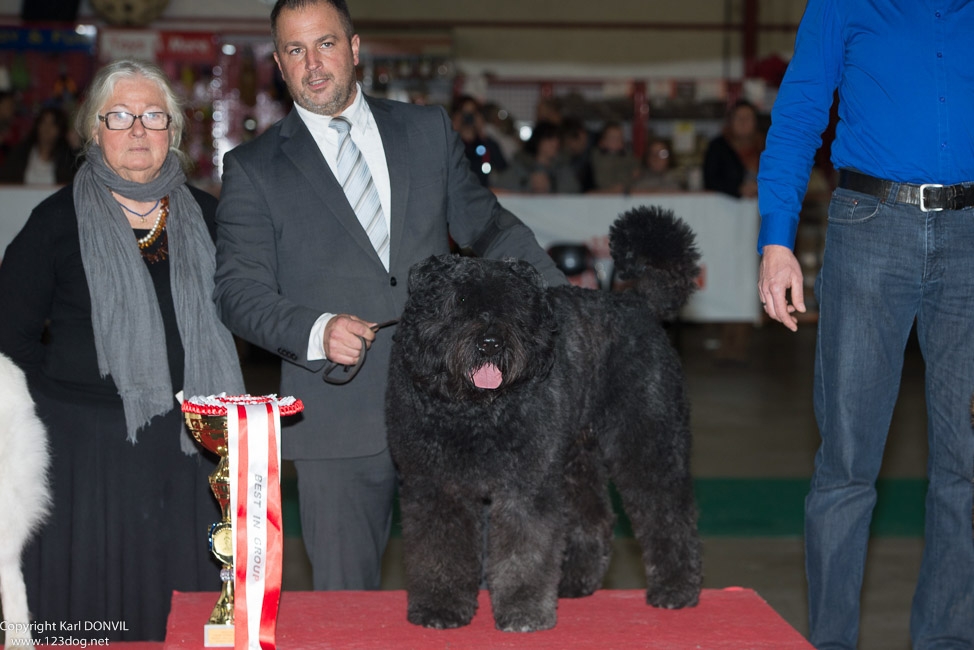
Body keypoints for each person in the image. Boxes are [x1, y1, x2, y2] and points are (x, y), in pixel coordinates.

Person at [213, 0, 566, 591]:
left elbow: (492, 229)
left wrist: (562, 302)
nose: (313, 64)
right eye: (295, 51)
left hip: (451, 404)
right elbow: (237, 292)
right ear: (278, 64)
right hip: (336, 413)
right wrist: (315, 329)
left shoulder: (426, 130)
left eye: (325, 44)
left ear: (354, 48)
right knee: (346, 608)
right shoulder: (252, 168)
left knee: (468, 596)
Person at [0, 59, 245, 641]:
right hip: (84, 459)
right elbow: (7, 333)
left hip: (190, 452)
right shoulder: (54, 222)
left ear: (174, 134)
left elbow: (248, 312)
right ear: (94, 132)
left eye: (153, 116)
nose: (138, 129)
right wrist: (67, 397)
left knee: (181, 617)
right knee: (89, 620)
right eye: (120, 116)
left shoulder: (213, 219)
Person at [756, 2, 974, 648]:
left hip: (969, 241)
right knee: (847, 465)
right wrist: (777, 241)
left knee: (966, 464)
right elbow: (797, 115)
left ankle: (949, 639)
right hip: (870, 228)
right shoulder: (842, 3)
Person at [493, 121, 580, 194]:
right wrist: (528, 186)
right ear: (538, 141)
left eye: (557, 139)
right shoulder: (521, 166)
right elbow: (500, 189)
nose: (555, 143)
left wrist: (551, 186)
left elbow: (574, 193)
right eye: (549, 138)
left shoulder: (562, 168)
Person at [0, 106, 79, 184]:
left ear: (60, 130)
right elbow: (6, 180)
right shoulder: (21, 152)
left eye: (53, 124)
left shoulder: (67, 158)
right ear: (37, 125)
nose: (47, 128)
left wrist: (76, 149)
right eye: (43, 122)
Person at [703, 99, 762, 199]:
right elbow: (710, 180)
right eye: (738, 118)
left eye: (748, 118)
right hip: (727, 208)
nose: (743, 123)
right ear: (730, 121)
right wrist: (738, 189)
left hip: (762, 209)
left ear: (755, 122)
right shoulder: (718, 146)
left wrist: (760, 187)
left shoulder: (765, 145)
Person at [450, 94, 507, 187]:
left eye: (472, 114)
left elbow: (502, 166)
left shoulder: (486, 144)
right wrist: (453, 131)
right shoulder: (449, 144)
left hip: (481, 195)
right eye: (464, 114)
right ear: (455, 116)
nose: (468, 118)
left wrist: (482, 134)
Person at [589, 121, 639, 193]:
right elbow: (600, 177)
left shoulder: (628, 157)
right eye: (612, 138)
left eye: (619, 138)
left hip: (623, 191)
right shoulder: (597, 155)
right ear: (602, 141)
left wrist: (624, 185)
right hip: (603, 192)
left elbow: (636, 173)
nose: (616, 141)